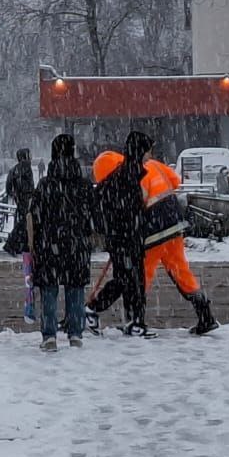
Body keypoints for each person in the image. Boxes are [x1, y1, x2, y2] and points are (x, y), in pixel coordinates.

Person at [87, 135, 218, 336]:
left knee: (140, 276)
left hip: (153, 231)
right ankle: (205, 314)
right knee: (180, 271)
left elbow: (134, 207)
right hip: (174, 224)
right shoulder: (153, 165)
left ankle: (135, 320)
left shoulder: (127, 177)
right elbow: (175, 181)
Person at [27, 135, 93, 351]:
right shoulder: (83, 185)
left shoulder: (46, 185)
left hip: (50, 244)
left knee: (49, 289)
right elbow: (93, 214)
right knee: (75, 289)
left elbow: (34, 216)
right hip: (77, 244)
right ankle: (75, 334)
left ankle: (49, 336)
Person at [87, 131, 152, 336]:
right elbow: (124, 210)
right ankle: (95, 310)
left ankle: (134, 321)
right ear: (140, 151)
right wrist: (123, 229)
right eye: (148, 150)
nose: (150, 155)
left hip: (126, 238)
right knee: (129, 281)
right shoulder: (127, 176)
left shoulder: (129, 173)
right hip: (125, 239)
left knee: (131, 281)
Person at [3, 148, 36, 322]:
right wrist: (28, 195)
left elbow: (8, 187)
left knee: (22, 224)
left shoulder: (14, 169)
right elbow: (28, 186)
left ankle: (16, 244)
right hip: (26, 201)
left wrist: (15, 194)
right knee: (24, 224)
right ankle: (12, 244)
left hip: (19, 200)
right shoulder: (26, 168)